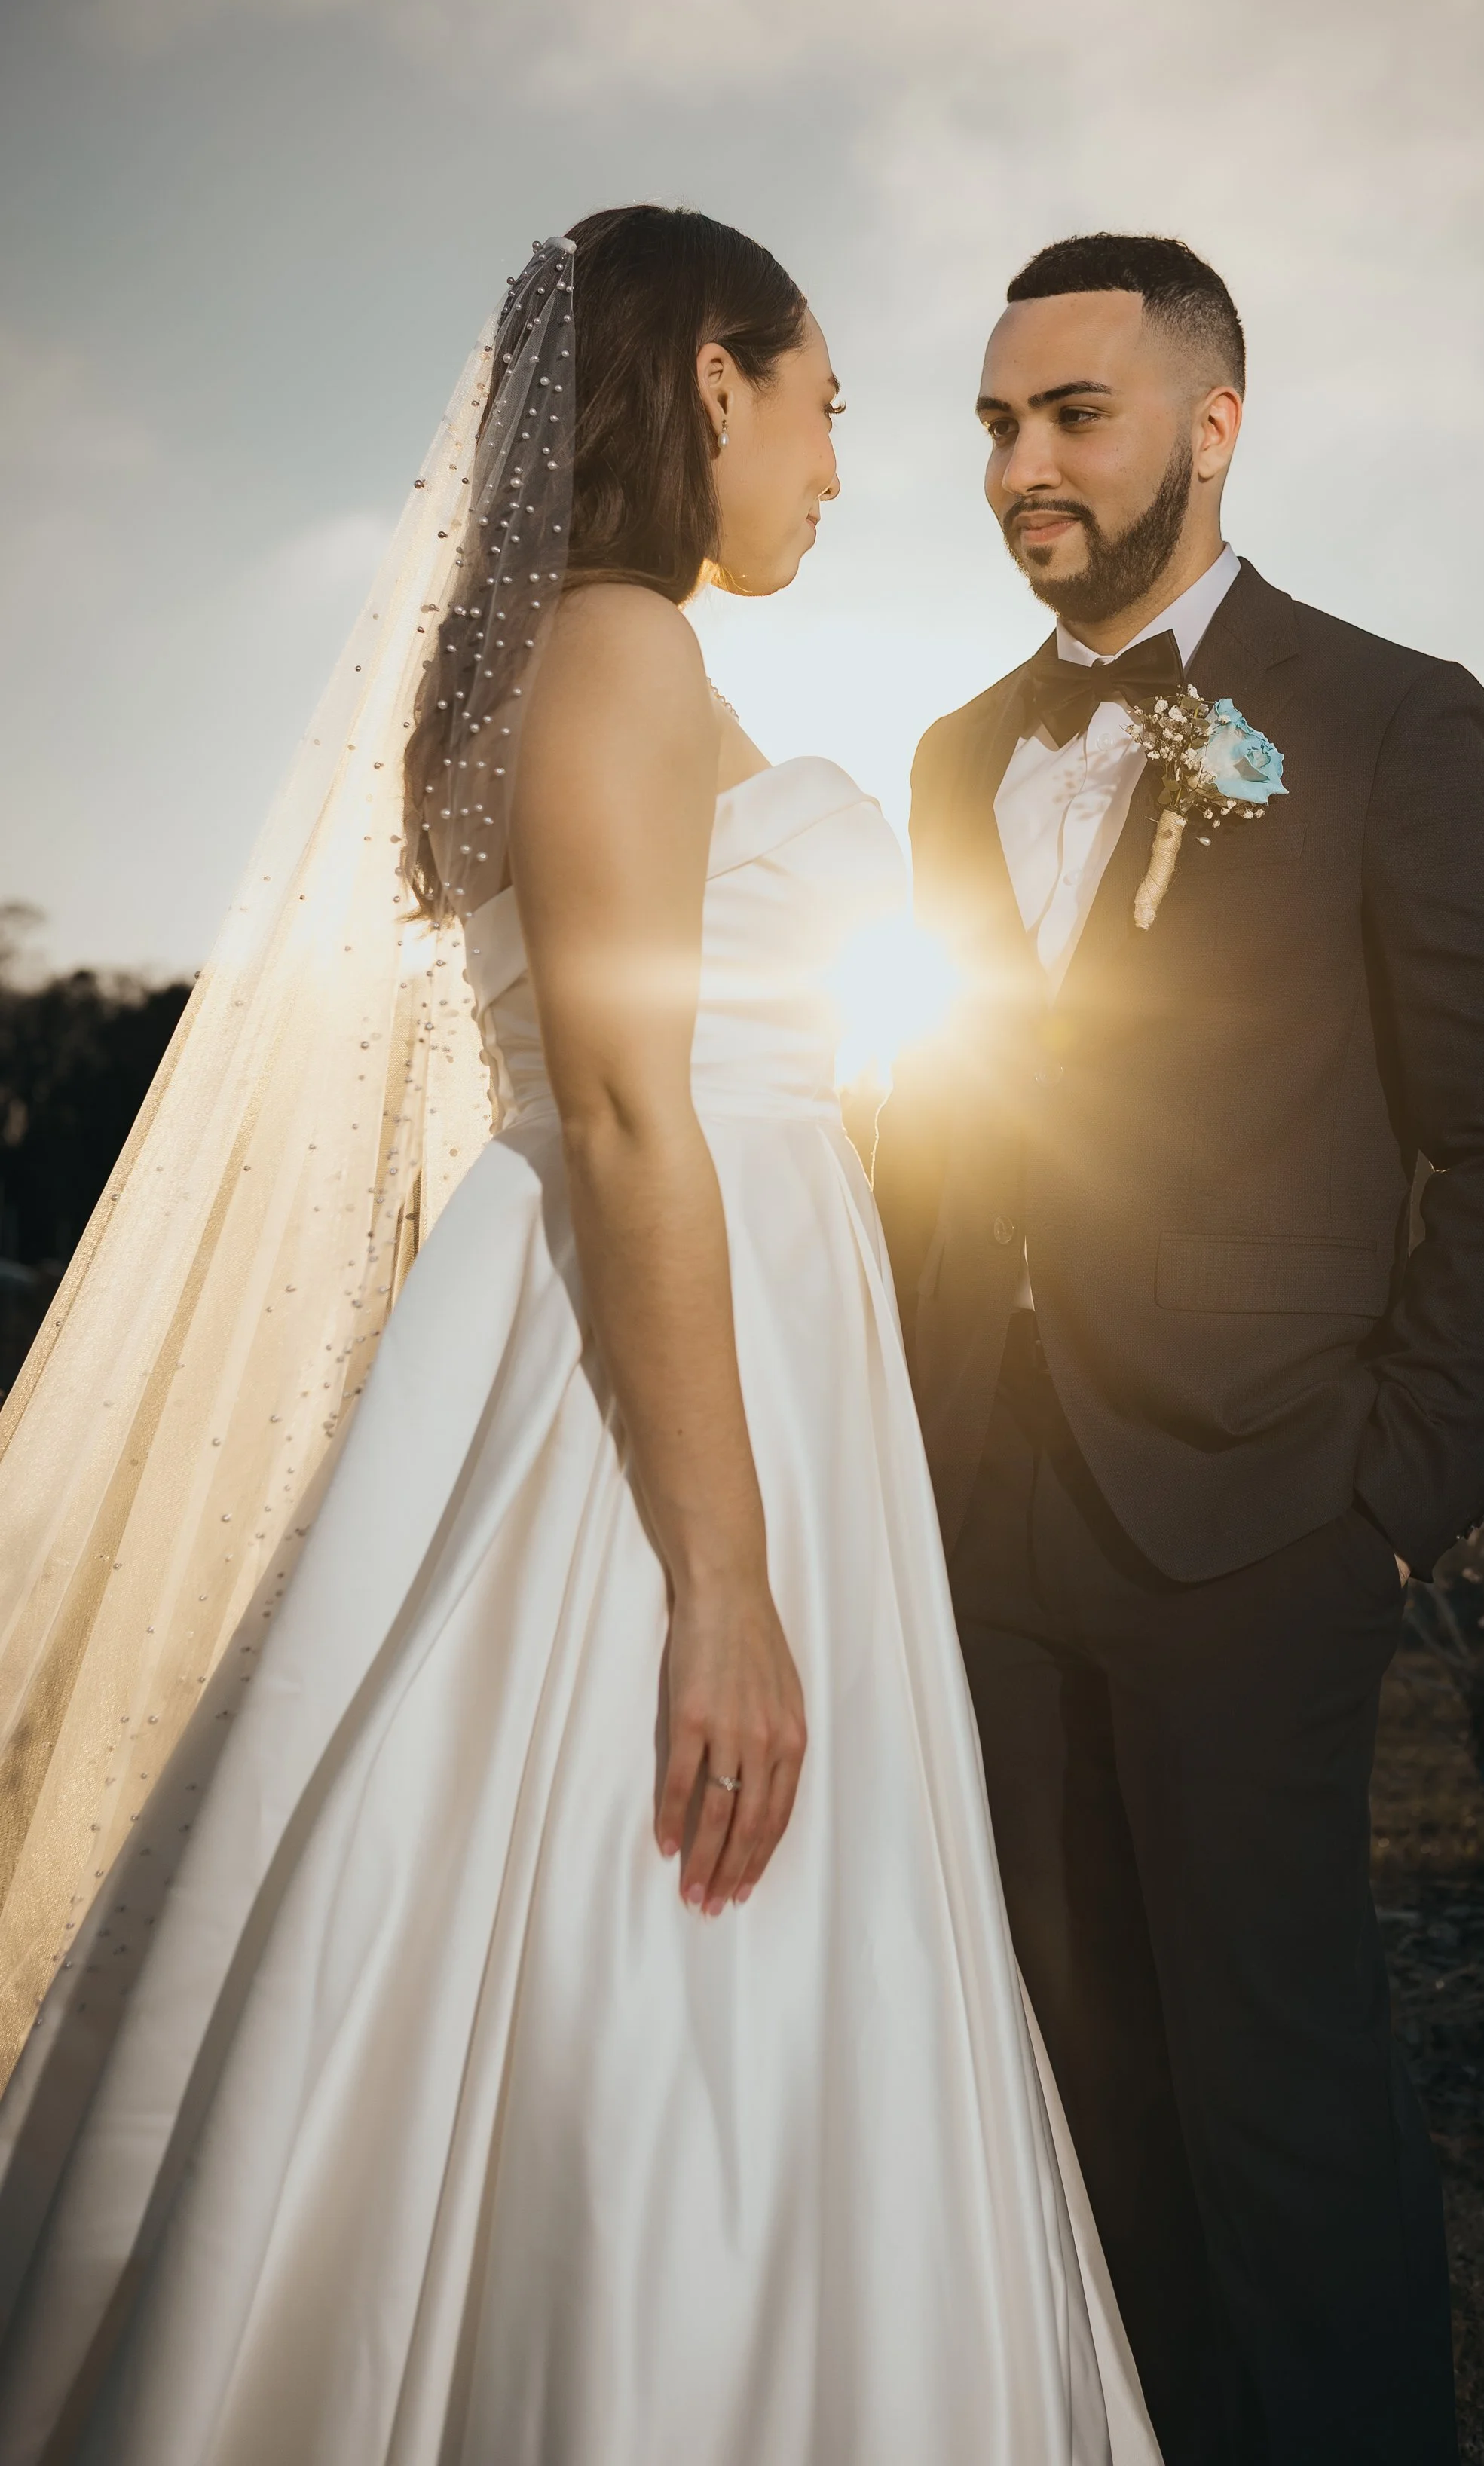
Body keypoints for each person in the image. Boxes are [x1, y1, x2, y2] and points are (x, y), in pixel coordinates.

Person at [0, 210, 1158, 2463]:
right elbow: (632, 1112)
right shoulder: (617, 644)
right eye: (821, 410)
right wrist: (722, 1583)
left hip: (723, 1308)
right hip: (675, 1336)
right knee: (649, 1884)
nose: (837, 472)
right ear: (712, 387)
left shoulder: (592, 654)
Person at [875, 231, 1484, 2465]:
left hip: (1267, 1514)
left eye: (1070, 413)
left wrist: (1398, 1499)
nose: (1019, 465)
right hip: (984, 1522)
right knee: (1071, 2089)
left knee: (1278, 2093)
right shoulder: (948, 755)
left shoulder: (1387, 718)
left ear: (1212, 423)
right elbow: (953, 1112)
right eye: (994, 422)